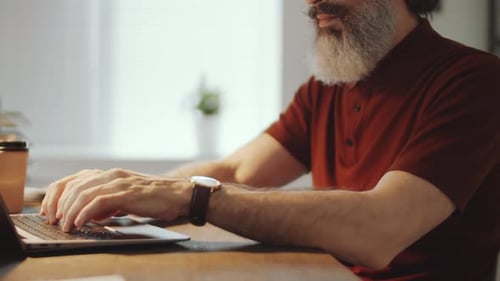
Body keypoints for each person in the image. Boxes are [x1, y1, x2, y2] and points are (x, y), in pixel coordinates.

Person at [41, 0, 500, 280]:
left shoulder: (475, 80)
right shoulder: (329, 88)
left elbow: (382, 228)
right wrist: (125, 192)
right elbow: (238, 171)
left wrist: (191, 197)